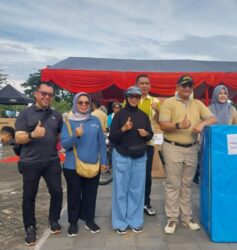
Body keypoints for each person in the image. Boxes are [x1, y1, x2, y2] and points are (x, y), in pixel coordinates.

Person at [159, 75, 216, 234]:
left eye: (190, 85)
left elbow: (212, 118)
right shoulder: (169, 103)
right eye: (184, 85)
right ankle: (172, 218)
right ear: (177, 87)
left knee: (187, 184)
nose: (187, 88)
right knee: (173, 183)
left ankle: (187, 217)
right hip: (173, 147)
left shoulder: (197, 104)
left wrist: (202, 123)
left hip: (192, 148)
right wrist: (179, 125)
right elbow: (163, 125)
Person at [15, 82, 63, 246]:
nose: (47, 97)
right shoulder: (25, 114)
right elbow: (19, 138)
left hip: (52, 161)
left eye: (50, 94)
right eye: (44, 93)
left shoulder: (56, 115)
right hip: (30, 162)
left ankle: (54, 219)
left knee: (57, 192)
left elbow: (58, 136)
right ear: (36, 94)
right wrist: (33, 134)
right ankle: (30, 227)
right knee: (29, 196)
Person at [61, 92, 107, 237]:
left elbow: (101, 143)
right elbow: (64, 144)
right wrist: (76, 135)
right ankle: (73, 223)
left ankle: (89, 220)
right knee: (74, 196)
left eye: (86, 102)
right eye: (80, 102)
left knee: (90, 195)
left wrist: (104, 161)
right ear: (75, 103)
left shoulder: (95, 120)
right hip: (72, 167)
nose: (83, 105)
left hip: (93, 165)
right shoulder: (68, 121)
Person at [109, 86, 153, 235]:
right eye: (131, 96)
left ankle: (135, 220)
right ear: (126, 98)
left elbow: (150, 135)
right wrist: (123, 128)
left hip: (140, 156)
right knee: (120, 190)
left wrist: (146, 133)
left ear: (140, 98)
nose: (134, 99)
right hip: (122, 155)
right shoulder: (119, 115)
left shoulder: (144, 115)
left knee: (137, 190)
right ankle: (120, 221)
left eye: (137, 96)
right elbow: (112, 137)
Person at [135, 74, 160, 216]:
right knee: (133, 175)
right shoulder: (131, 98)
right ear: (137, 85)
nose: (144, 86)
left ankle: (146, 203)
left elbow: (158, 120)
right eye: (142, 83)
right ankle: (134, 202)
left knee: (146, 175)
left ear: (150, 86)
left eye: (147, 83)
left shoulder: (155, 101)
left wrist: (157, 111)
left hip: (148, 143)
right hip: (131, 143)